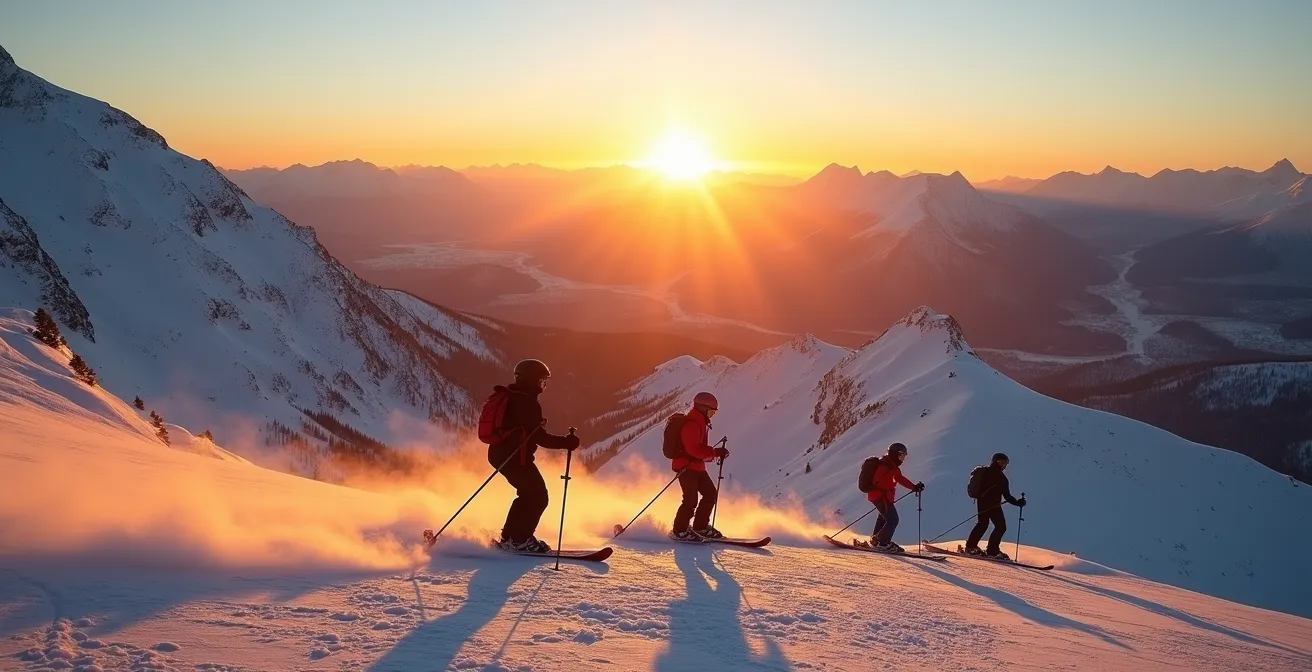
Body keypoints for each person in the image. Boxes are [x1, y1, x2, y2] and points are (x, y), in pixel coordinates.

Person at [487, 359, 580, 552]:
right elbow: (538, 436)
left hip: (502, 454)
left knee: (527, 495)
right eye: (540, 380)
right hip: (514, 457)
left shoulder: (514, 396)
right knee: (538, 496)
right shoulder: (526, 402)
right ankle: (520, 540)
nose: (542, 385)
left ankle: (511, 538)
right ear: (531, 380)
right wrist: (566, 442)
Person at [669, 391, 730, 541]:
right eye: (711, 412)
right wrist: (715, 452)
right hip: (685, 466)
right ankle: (679, 530)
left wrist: (714, 453)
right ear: (702, 409)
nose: (711, 416)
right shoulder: (692, 424)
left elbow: (698, 450)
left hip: (696, 466)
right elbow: (693, 450)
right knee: (690, 500)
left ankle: (700, 527)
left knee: (710, 494)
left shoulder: (701, 423)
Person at [855, 442, 924, 552]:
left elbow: (900, 478)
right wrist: (885, 491)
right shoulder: (885, 466)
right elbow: (877, 481)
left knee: (884, 518)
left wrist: (914, 487)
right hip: (880, 496)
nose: (903, 459)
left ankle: (877, 540)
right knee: (893, 519)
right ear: (896, 454)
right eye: (902, 456)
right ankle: (882, 542)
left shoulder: (892, 466)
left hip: (882, 497)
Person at [965, 452, 1027, 559]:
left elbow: (1004, 495)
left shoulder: (986, 472)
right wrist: (1018, 503)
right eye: (1001, 462)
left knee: (983, 524)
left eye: (1005, 463)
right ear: (995, 461)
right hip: (993, 504)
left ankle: (971, 547)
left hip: (983, 503)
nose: (1003, 465)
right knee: (1000, 526)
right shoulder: (1001, 478)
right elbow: (1007, 496)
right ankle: (991, 551)